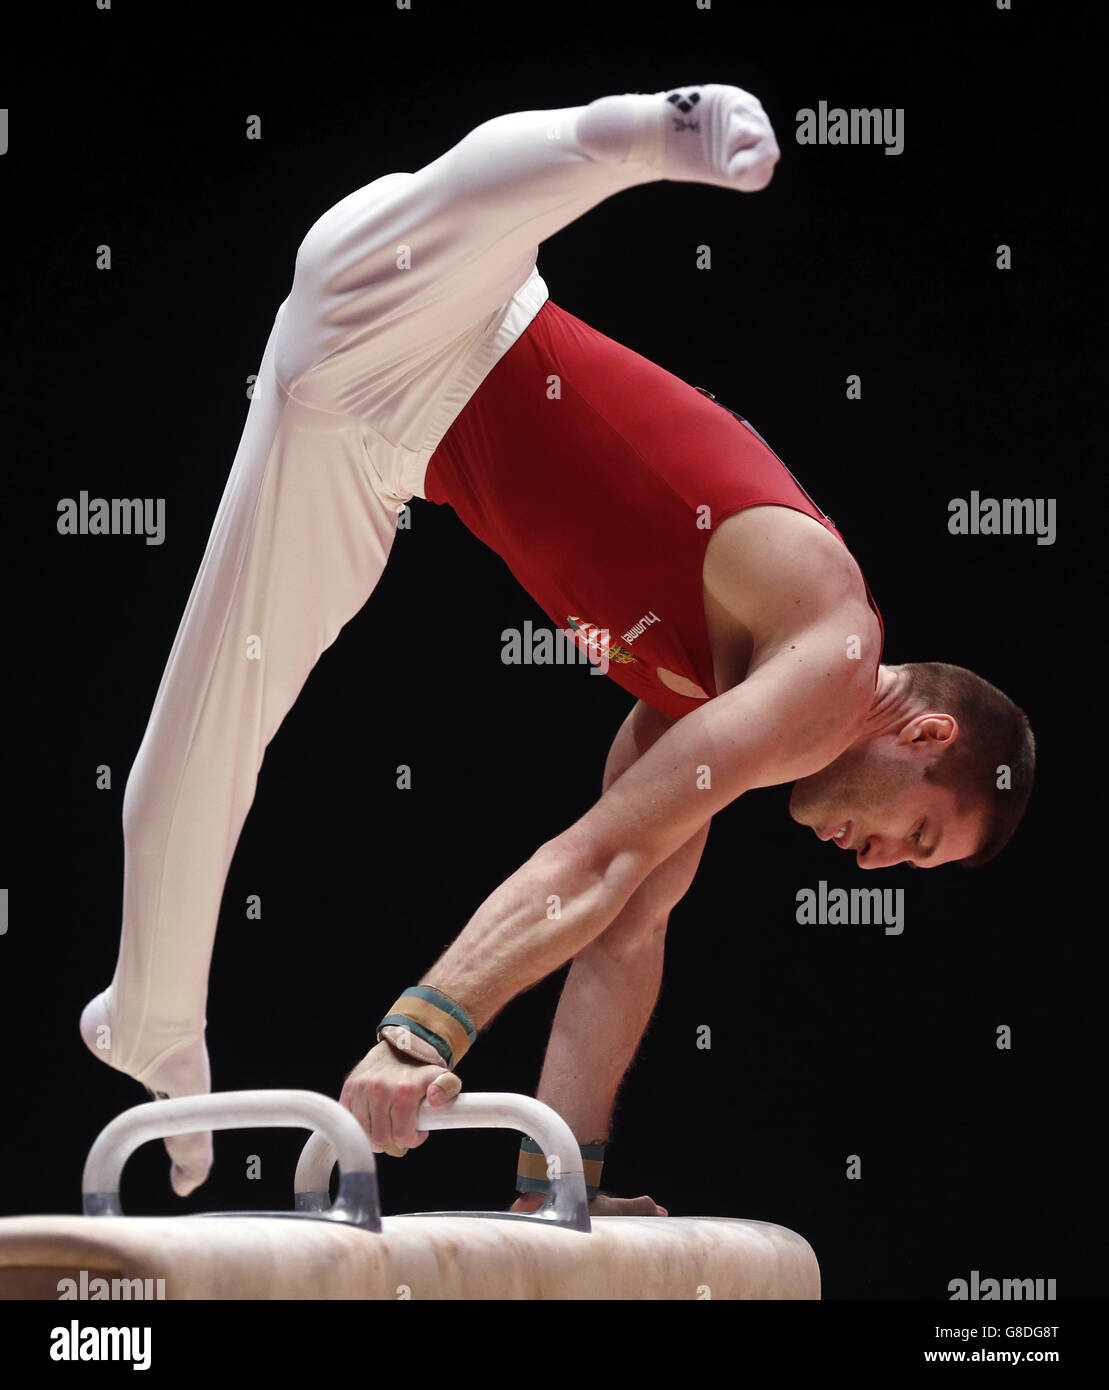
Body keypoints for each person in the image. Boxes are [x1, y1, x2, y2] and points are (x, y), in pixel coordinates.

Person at [80, 83, 1034, 1213]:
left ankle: (151, 1021)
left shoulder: (702, 713)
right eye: (913, 834)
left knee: (195, 748)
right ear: (922, 731)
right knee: (488, 196)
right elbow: (593, 858)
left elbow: (621, 926)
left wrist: (557, 1188)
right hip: (450, 316)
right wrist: (418, 1032)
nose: (873, 866)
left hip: (367, 454)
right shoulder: (829, 663)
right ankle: (637, 135)